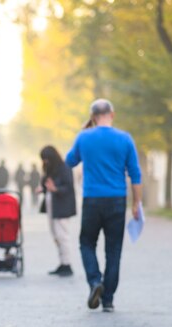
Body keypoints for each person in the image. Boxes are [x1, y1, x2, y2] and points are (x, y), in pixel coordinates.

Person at [65, 98, 142, 312]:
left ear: (92, 117)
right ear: (112, 114)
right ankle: (108, 299)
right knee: (114, 249)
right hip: (117, 200)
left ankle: (94, 281)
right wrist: (136, 203)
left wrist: (83, 134)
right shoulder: (125, 139)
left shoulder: (84, 137)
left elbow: (69, 161)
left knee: (87, 243)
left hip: (92, 200)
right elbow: (135, 174)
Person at [37, 146, 76, 277]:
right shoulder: (51, 169)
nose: (45, 162)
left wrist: (56, 189)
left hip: (62, 206)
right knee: (55, 235)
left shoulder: (65, 168)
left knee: (62, 235)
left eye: (46, 159)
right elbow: (47, 183)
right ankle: (62, 262)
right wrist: (43, 188)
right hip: (52, 205)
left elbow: (68, 187)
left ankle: (67, 264)